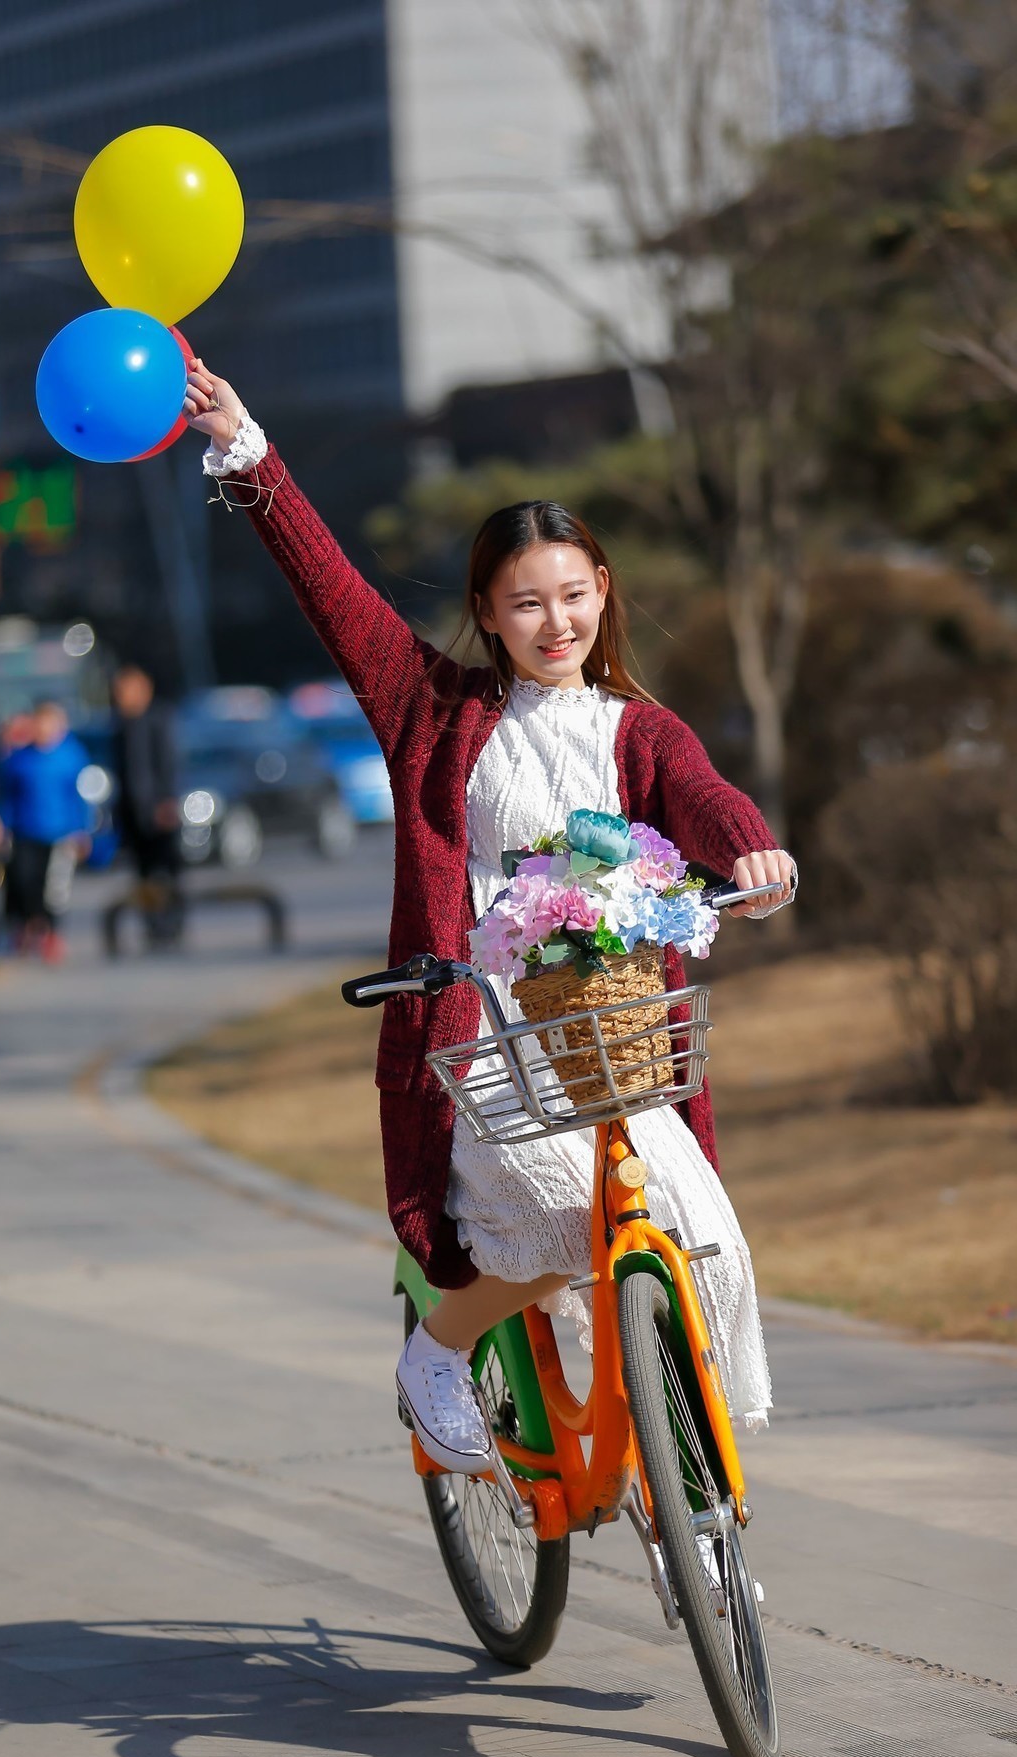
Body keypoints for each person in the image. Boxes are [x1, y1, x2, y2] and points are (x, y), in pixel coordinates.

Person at [184, 357, 797, 1476]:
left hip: (610, 1035)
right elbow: (332, 589)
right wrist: (249, 450)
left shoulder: (636, 730)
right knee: (564, 1215)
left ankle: (686, 1487)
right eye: (525, 601)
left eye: (572, 593)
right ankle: (440, 1349)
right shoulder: (435, 710)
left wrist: (748, 845)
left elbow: (704, 796)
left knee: (700, 1232)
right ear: (488, 615)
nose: (553, 620)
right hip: (486, 1040)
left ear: (603, 590)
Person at [0, 699, 89, 962]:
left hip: (61, 834)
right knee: (25, 880)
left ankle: (52, 934)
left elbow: (79, 797)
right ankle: (30, 924)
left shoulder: (71, 756)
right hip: (26, 832)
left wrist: (81, 831)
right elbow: (7, 796)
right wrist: (4, 825)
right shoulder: (19, 758)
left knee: (55, 890)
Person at [110, 664, 182, 943]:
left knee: (166, 872)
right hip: (133, 812)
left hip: (159, 810)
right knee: (142, 872)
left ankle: (171, 924)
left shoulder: (158, 719)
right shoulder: (121, 726)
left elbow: (167, 764)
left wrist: (166, 801)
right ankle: (152, 925)